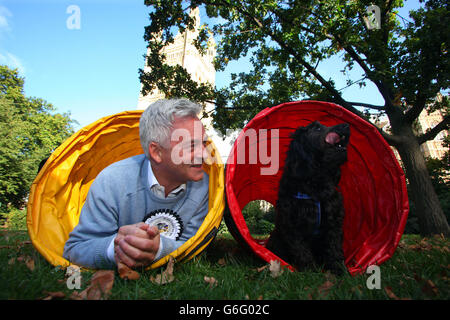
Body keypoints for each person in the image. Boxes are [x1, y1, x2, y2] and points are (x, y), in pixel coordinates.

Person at [63, 98, 210, 269]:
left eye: (204, 143)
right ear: (156, 152)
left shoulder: (204, 186)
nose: (204, 154)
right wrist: (118, 248)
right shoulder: (112, 180)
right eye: (191, 145)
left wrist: (159, 248)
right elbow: (76, 248)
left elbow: (195, 245)